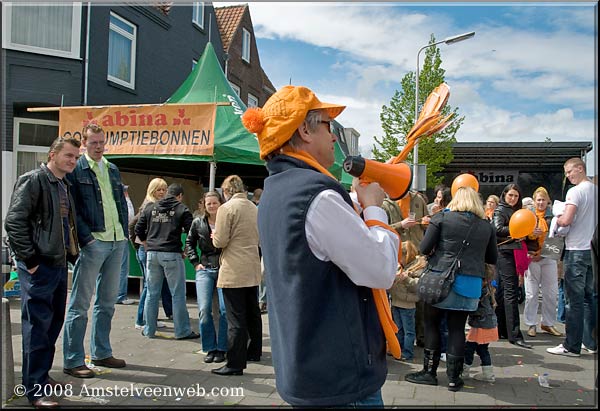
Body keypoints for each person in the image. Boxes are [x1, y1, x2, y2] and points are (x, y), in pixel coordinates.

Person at [242, 85, 399, 406]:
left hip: (306, 371)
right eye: (328, 125)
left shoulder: (276, 190)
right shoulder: (319, 195)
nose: (333, 136)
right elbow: (382, 271)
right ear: (304, 130)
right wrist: (373, 208)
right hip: (341, 380)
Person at [4, 137, 81, 407]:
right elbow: (14, 222)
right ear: (53, 154)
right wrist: (31, 260)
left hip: (57, 264)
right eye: (68, 155)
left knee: (52, 324)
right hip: (40, 266)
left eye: (75, 157)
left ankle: (42, 377)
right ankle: (34, 391)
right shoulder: (34, 179)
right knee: (37, 327)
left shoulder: (63, 184)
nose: (73, 160)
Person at [405, 186, 497, 392]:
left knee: (432, 325)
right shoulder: (486, 226)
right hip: (470, 283)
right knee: (457, 329)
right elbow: (492, 258)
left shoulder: (441, 219)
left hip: (440, 281)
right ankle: (455, 379)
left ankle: (429, 372)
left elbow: (424, 248)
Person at [63, 123, 129, 378]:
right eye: (93, 143)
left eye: (101, 142)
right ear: (84, 144)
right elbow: (72, 208)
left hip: (116, 240)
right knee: (80, 303)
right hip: (94, 242)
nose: (99, 147)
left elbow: (119, 203)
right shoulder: (77, 168)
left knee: (108, 302)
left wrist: (124, 233)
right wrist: (86, 239)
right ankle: (73, 359)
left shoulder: (112, 168)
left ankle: (101, 351)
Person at [210, 175, 262, 376]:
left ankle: (235, 363)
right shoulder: (253, 207)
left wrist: (214, 237)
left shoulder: (226, 209)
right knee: (253, 313)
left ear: (226, 191)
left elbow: (221, 241)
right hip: (252, 264)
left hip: (234, 267)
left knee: (235, 318)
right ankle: (254, 351)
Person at [135, 183, 197, 340]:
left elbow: (137, 228)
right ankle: (182, 330)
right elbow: (193, 231)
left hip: (152, 253)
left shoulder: (150, 207)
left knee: (152, 293)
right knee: (177, 294)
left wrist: (145, 242)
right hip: (171, 253)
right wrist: (185, 250)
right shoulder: (182, 209)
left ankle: (149, 329)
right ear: (180, 196)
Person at [547, 158, 596, 357]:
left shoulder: (575, 191)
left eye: (569, 172)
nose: (568, 176)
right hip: (591, 250)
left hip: (576, 249)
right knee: (589, 298)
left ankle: (571, 345)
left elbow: (567, 219)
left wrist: (557, 216)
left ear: (580, 168)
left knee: (573, 300)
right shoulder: (595, 190)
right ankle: (590, 342)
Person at [185, 191, 227, 363]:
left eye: (214, 203)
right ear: (204, 205)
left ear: (220, 203)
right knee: (204, 310)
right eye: (208, 203)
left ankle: (222, 348)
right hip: (205, 268)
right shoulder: (198, 222)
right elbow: (189, 243)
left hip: (225, 268)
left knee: (225, 310)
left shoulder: (226, 221)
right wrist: (195, 263)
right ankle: (209, 347)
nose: (211, 206)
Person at [493, 183, 532, 349]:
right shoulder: (500, 210)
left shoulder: (517, 211)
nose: (513, 198)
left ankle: (503, 330)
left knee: (504, 293)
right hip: (504, 253)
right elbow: (496, 228)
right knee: (510, 292)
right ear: (504, 195)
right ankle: (514, 334)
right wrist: (516, 230)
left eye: (516, 196)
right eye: (510, 195)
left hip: (511, 252)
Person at [129, 178, 172, 329]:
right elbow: (134, 226)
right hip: (147, 251)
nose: (162, 192)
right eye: (159, 189)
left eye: (164, 189)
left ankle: (146, 318)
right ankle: (143, 320)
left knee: (151, 286)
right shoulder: (149, 205)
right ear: (152, 190)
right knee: (150, 286)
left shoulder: (152, 204)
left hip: (148, 250)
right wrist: (142, 244)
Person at [523, 187, 562, 337]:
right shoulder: (528, 216)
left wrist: (544, 254)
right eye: (538, 200)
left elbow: (558, 237)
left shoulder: (553, 216)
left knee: (551, 293)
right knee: (531, 293)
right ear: (534, 201)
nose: (540, 202)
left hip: (548, 257)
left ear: (548, 201)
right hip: (531, 257)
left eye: (543, 200)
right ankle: (531, 323)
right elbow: (519, 235)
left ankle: (548, 323)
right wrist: (530, 234)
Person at [389, 240, 426, 362]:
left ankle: (407, 352)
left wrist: (406, 279)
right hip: (396, 302)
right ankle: (397, 349)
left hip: (407, 304)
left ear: (407, 255)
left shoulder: (418, 268)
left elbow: (417, 286)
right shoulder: (400, 265)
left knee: (408, 331)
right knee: (398, 328)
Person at [463, 264, 499, 383]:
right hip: (487, 325)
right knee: (482, 349)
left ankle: (465, 371)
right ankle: (487, 374)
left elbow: (475, 308)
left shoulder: (481, 291)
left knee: (470, 349)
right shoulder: (489, 289)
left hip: (480, 325)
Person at [117, 185, 136, 305]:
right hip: (122, 236)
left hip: (120, 236)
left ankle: (118, 294)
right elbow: (130, 218)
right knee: (122, 267)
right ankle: (120, 295)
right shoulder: (124, 202)